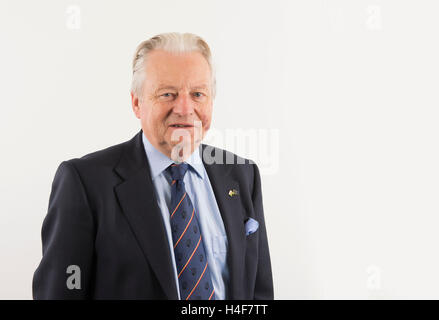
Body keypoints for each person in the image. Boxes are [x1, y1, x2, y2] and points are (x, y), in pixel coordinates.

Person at [32, 32, 273, 300]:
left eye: (197, 94)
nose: (184, 108)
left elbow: (259, 293)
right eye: (168, 94)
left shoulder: (241, 175)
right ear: (137, 103)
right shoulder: (85, 182)